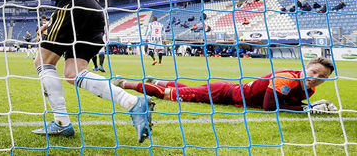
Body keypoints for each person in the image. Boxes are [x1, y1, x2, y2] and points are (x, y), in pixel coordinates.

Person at [16, 0, 154, 143]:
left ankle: (61, 122)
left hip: (74, 8)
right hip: (91, 10)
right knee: (73, 74)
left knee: (43, 62)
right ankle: (133, 103)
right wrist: (53, 21)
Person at [112, 57, 337, 112]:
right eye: (314, 71)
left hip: (228, 90)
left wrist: (307, 105)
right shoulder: (287, 77)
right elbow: (270, 106)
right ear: (305, 67)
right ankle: (125, 83)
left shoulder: (310, 88)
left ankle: (155, 80)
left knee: (186, 89)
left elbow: (285, 101)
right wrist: (308, 109)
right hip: (224, 94)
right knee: (172, 95)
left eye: (322, 76)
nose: (316, 77)